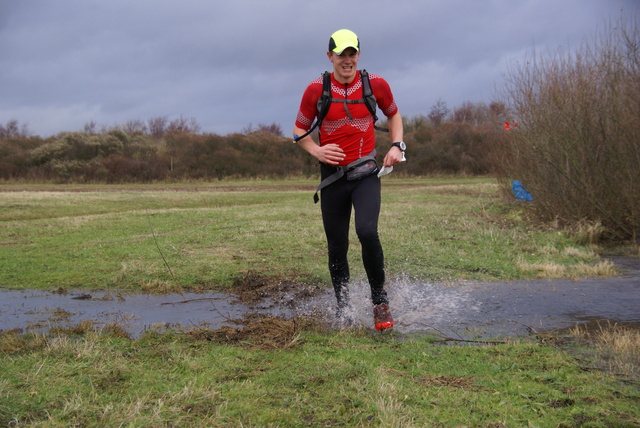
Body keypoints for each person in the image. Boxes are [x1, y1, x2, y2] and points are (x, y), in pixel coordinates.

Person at [292, 29, 405, 330]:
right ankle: (344, 309)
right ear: (330, 56)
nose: (347, 59)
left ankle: (380, 303)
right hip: (333, 180)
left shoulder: (375, 85)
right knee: (337, 246)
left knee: (367, 232)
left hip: (366, 174)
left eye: (352, 53)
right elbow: (298, 132)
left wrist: (397, 145)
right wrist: (316, 149)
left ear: (358, 55)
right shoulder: (316, 90)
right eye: (341, 53)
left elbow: (394, 115)